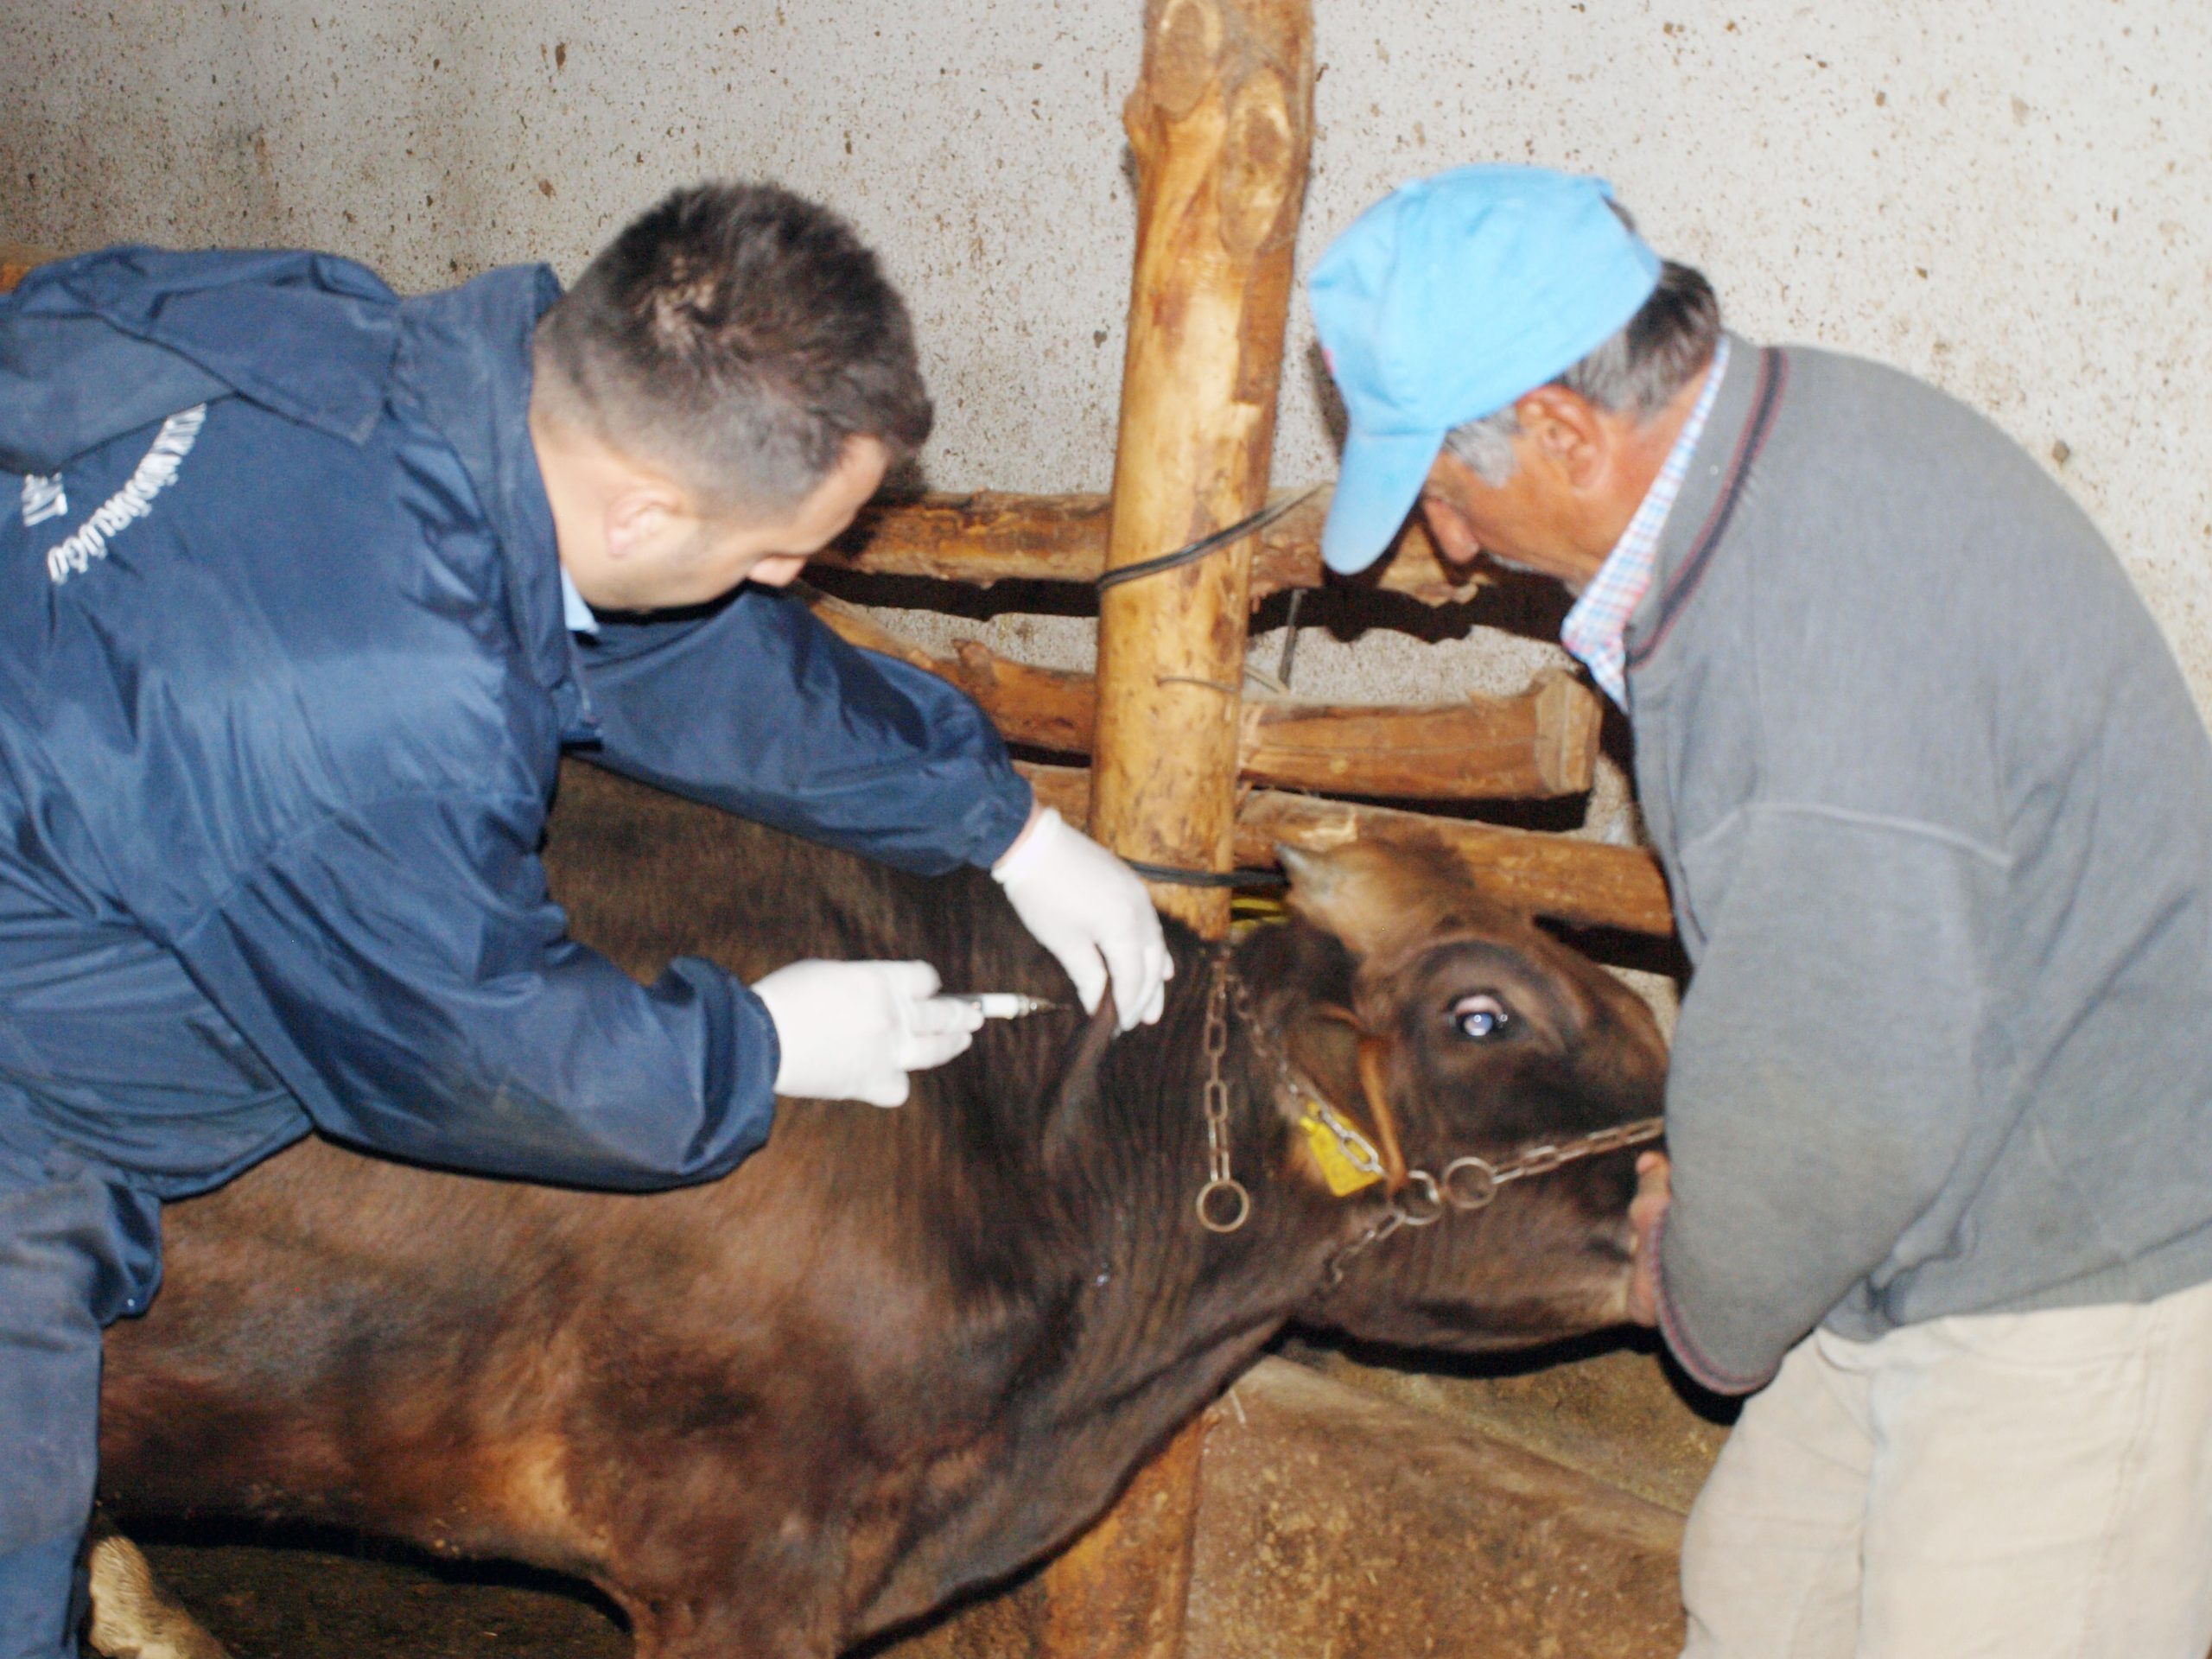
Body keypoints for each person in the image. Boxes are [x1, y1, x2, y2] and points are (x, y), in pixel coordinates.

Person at [0, 181, 1169, 1658]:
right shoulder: (373, 711)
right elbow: (461, 1048)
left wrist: (1002, 822)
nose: (790, 578)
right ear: (644, 503)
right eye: (769, 554)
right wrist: (755, 1046)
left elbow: (665, 659)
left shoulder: (373, 354)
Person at [1307, 163, 2212, 1657]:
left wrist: (1704, 1290)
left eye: (1451, 489)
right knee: (1761, 1598)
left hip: (2073, 1266)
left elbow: (1848, 1086)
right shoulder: (1794, 451)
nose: (1455, 545)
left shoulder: (1803, 639)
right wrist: (1735, 1217)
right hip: (1917, 1210)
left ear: (1561, 429)